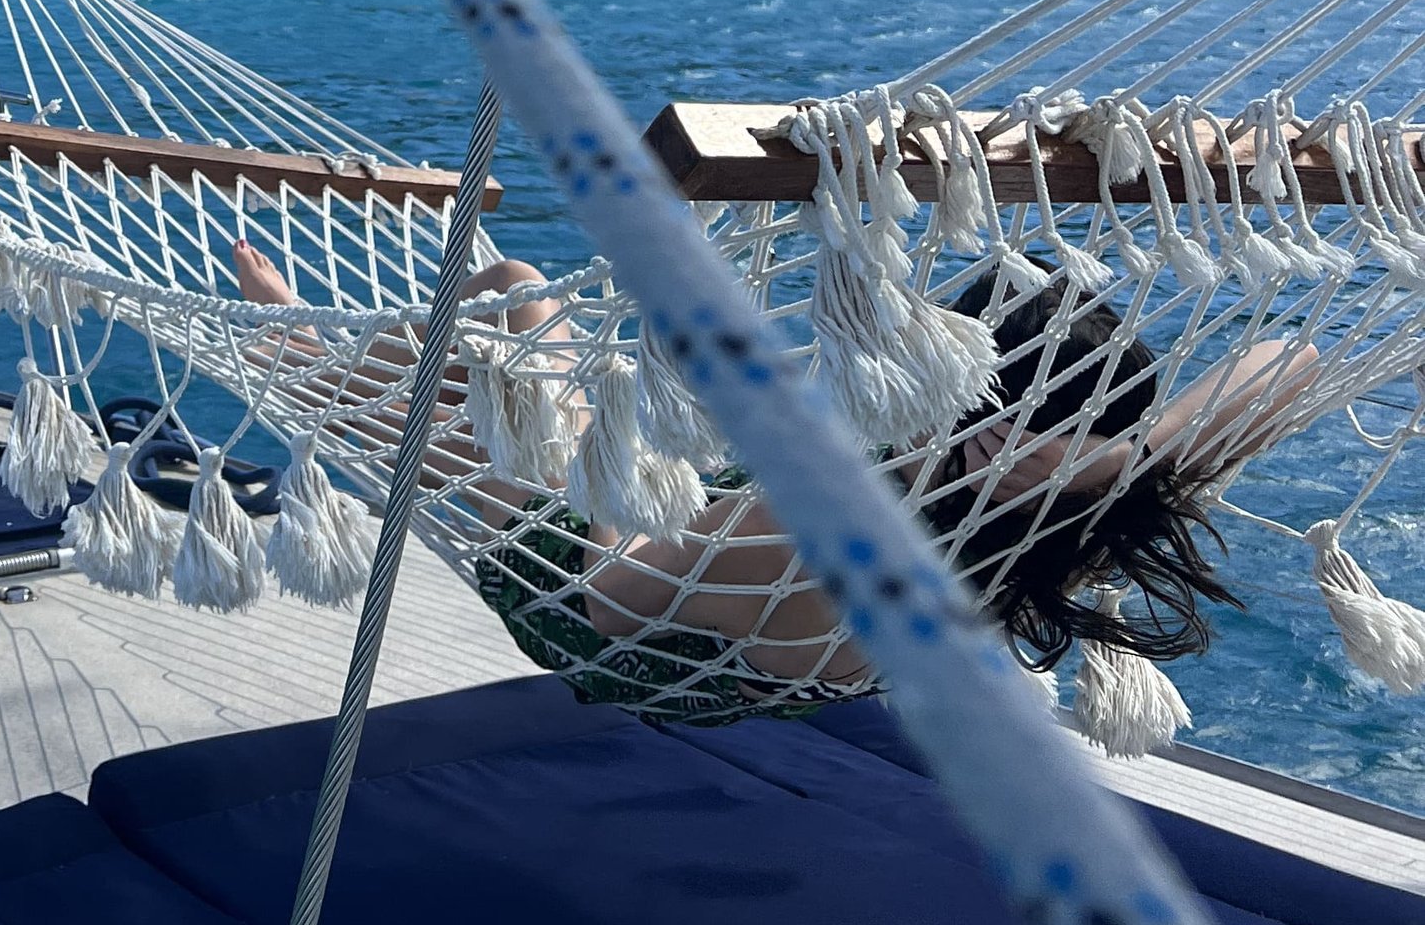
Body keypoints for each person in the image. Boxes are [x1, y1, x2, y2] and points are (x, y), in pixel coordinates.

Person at [230, 238, 1307, 716]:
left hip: (598, 604)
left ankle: (298, 355)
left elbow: (615, 586)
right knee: (513, 360)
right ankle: (313, 364)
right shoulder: (1076, 507)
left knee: (507, 302)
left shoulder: (849, 521)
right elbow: (1287, 361)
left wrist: (589, 459)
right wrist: (1102, 458)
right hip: (743, 625)